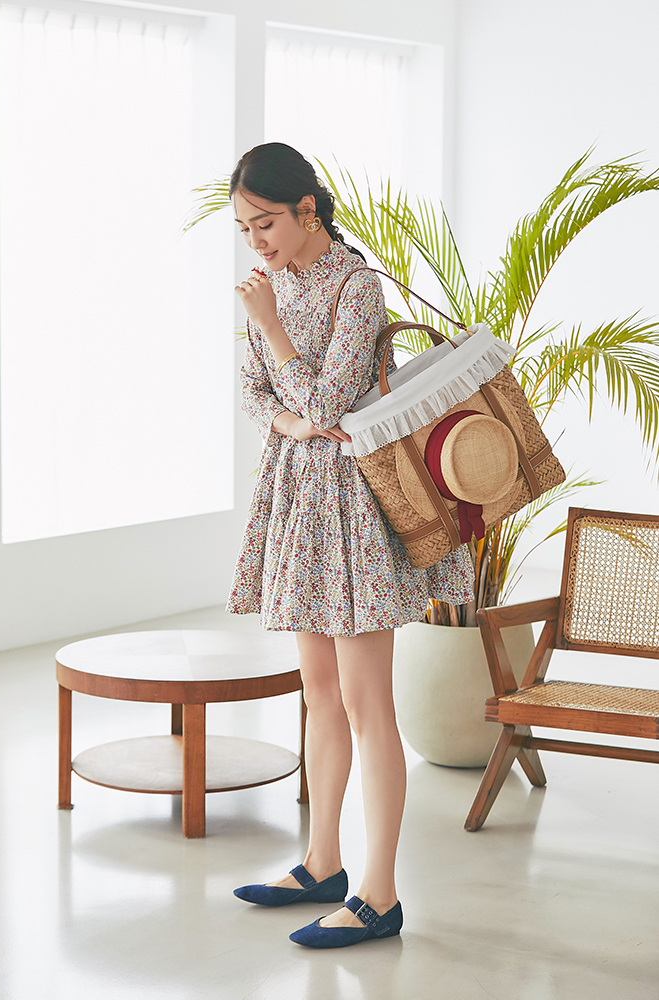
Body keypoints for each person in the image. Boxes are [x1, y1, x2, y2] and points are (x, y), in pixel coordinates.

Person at [227, 142, 474, 948]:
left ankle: (379, 894)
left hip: (357, 512)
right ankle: (321, 864)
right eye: (244, 228)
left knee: (370, 707)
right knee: (320, 695)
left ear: (306, 209)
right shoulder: (274, 283)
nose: (256, 241)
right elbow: (253, 393)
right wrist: (296, 422)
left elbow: (329, 398)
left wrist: (272, 334)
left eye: (265, 223)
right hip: (300, 502)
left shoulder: (356, 286)